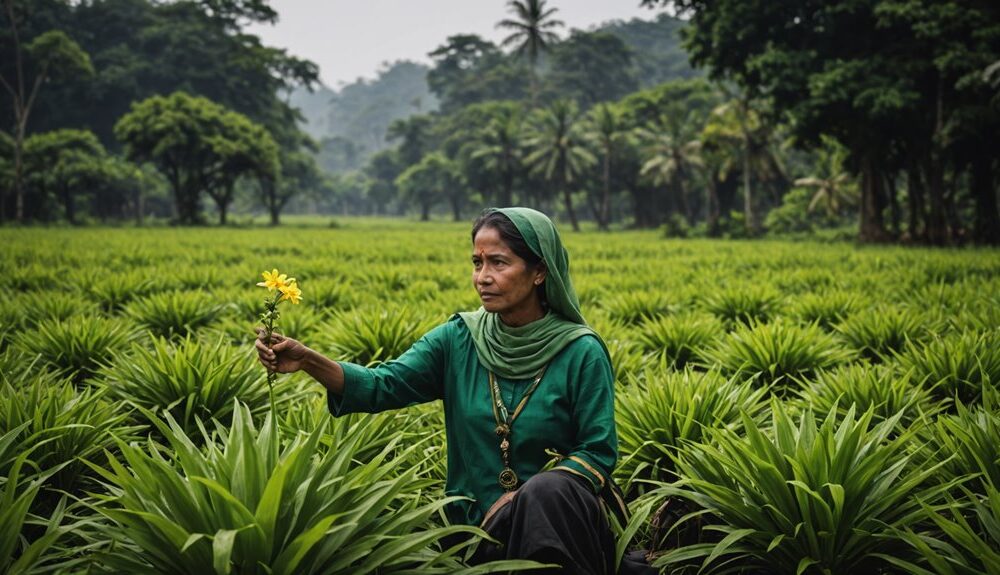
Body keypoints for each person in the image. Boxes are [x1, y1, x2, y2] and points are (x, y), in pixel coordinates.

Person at [256, 207, 652, 574]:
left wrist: (524, 498)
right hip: (478, 527)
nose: (483, 276)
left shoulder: (580, 350)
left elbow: (598, 452)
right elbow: (383, 385)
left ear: (539, 272)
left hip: (561, 527)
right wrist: (308, 360)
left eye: (499, 262)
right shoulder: (459, 338)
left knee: (547, 493)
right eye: (477, 263)